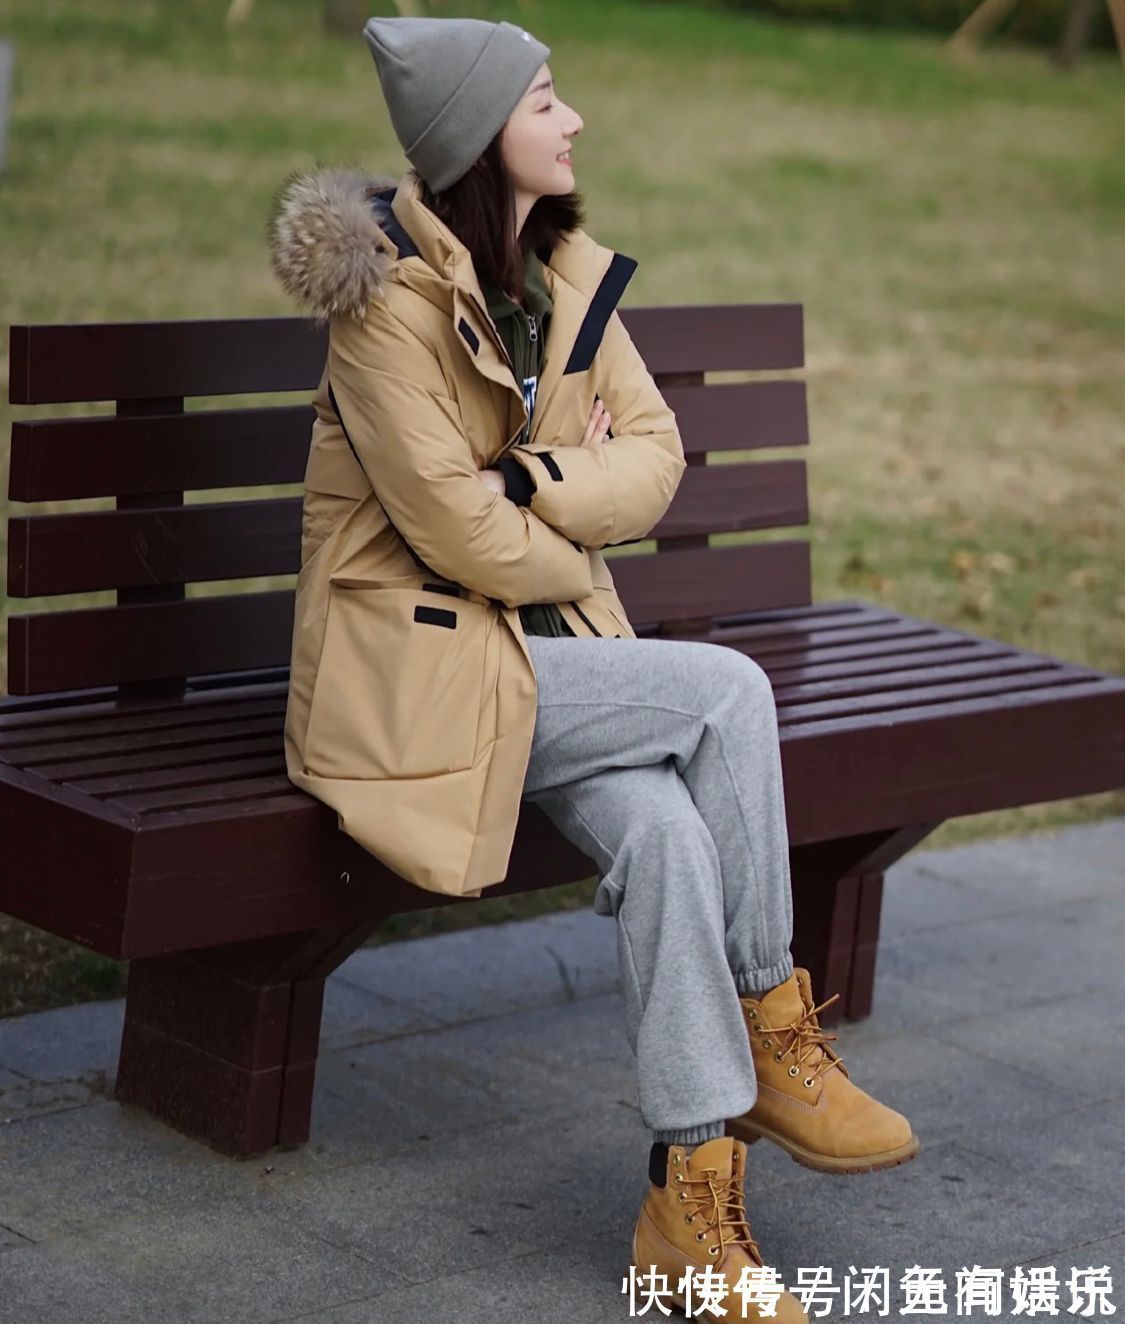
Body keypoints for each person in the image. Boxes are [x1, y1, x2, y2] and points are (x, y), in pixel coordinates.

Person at [268, 16, 919, 1321]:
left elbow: (656, 462)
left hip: (556, 669)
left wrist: (524, 480)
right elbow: (448, 531)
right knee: (727, 693)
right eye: (547, 99)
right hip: (417, 678)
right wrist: (564, 530)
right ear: (477, 134)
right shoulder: (386, 308)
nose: (573, 124)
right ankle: (774, 1035)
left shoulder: (570, 278)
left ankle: (685, 1205)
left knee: (673, 834)